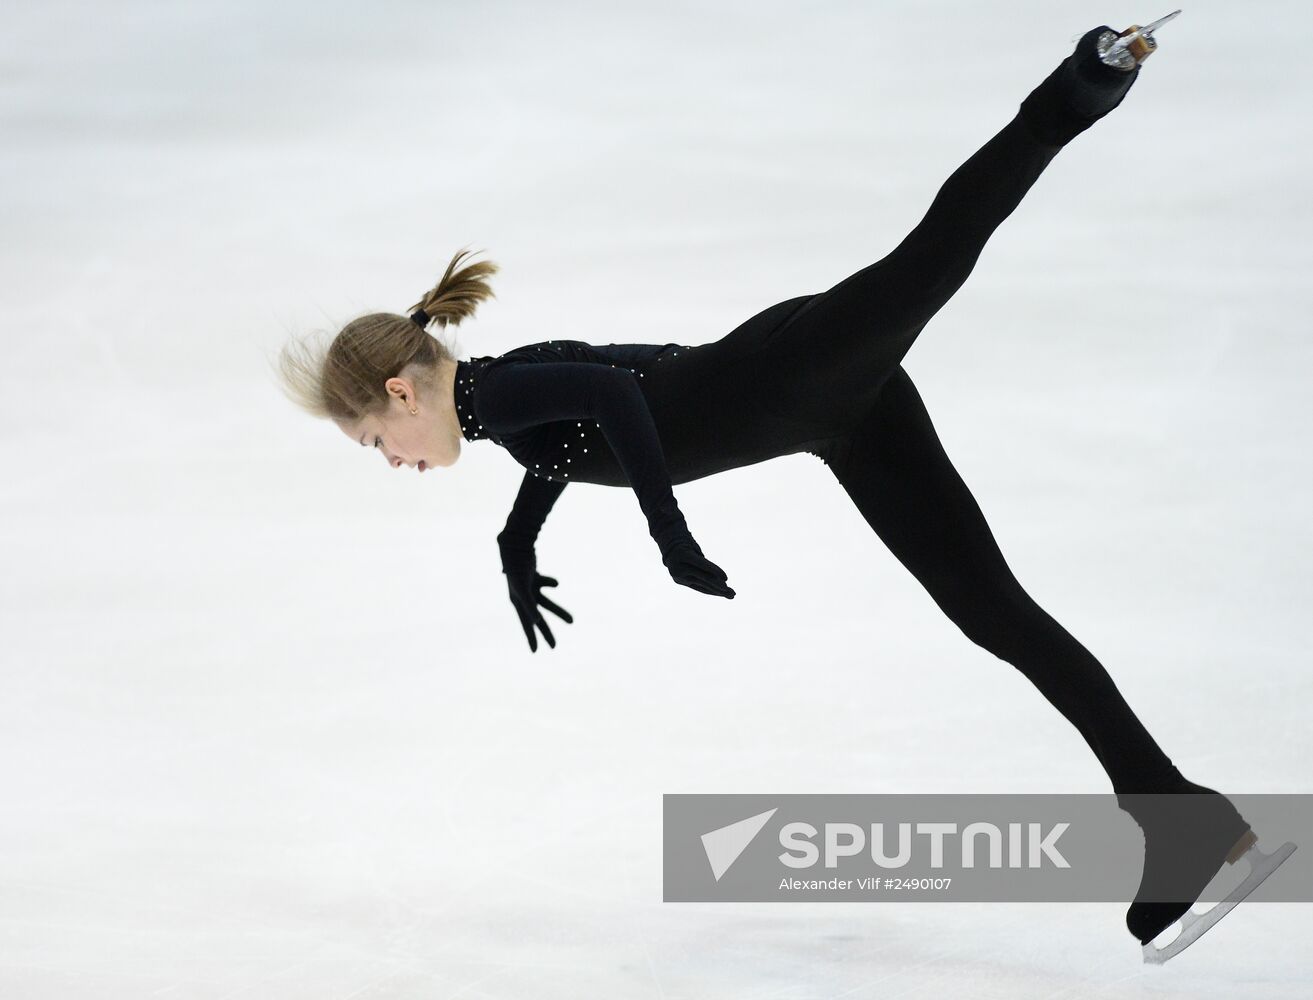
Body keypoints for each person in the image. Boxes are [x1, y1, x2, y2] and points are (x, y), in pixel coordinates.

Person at [277, 24, 1284, 958]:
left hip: (797, 374)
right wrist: (517, 544)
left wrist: (667, 535)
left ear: (401, 392)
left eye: (376, 440)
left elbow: (613, 402)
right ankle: (1175, 812)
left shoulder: (497, 392)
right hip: (831, 413)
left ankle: (1085, 80)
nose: (394, 461)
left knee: (936, 250)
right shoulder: (501, 407)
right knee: (993, 612)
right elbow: (573, 435)